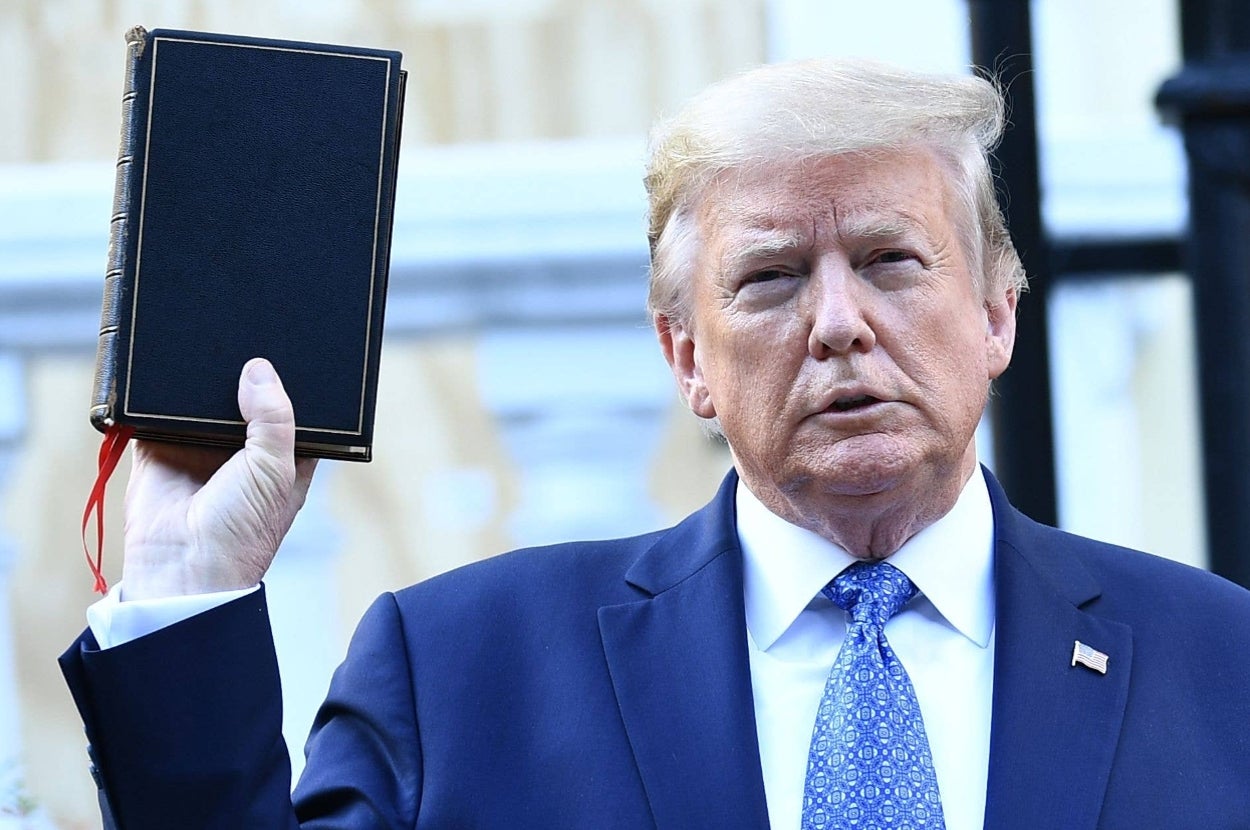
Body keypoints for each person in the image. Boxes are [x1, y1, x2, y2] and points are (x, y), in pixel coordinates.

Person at [61, 58, 1250, 830]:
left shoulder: (1219, 667)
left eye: (889, 259)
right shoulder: (464, 672)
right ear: (685, 355)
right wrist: (186, 590)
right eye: (771, 277)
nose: (837, 323)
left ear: (994, 310)